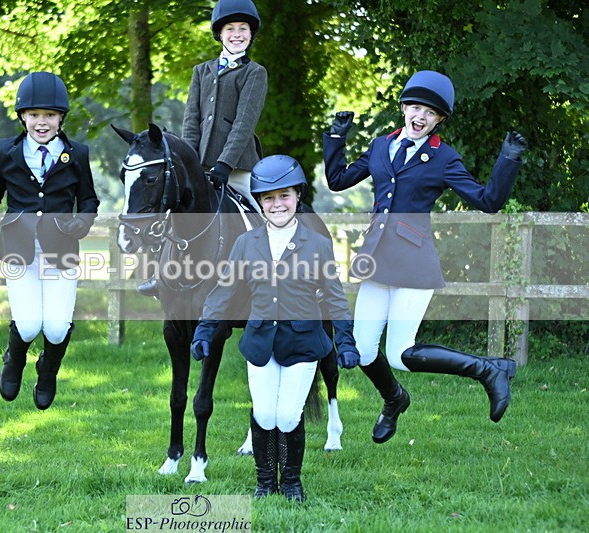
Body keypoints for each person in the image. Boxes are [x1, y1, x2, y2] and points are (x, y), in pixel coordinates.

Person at [322, 70, 528, 444]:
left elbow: (488, 201)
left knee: (400, 354)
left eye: (429, 113)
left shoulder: (444, 158)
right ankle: (395, 399)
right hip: (375, 263)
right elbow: (337, 180)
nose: (420, 116)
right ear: (403, 108)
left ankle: (487, 370)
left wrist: (508, 159)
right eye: (415, 107)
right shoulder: (380, 147)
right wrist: (336, 137)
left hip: (414, 265)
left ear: (439, 120)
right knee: (364, 349)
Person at [191, 155, 360, 502]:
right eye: (268, 198)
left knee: (286, 415)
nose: (277, 204)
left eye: (284, 196)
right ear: (260, 203)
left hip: (302, 341)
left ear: (297, 197)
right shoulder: (246, 244)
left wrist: (345, 341)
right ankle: (265, 482)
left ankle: (293, 482)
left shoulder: (318, 245)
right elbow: (224, 290)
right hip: (261, 341)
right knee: (265, 413)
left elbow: (334, 298)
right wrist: (204, 332)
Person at [0, 71, 99, 411]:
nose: (42, 123)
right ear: (22, 116)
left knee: (54, 329)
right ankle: (14, 360)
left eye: (50, 116)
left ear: (60, 118)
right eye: (35, 115)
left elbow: (89, 200)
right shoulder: (5, 151)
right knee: (27, 324)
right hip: (18, 249)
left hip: (62, 250)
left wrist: (82, 223)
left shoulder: (77, 153)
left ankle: (48, 370)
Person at [137, 0, 266, 297]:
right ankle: (161, 275)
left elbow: (244, 124)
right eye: (230, 28)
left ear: (251, 34)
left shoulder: (254, 73)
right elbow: (191, 120)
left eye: (243, 29)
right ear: (219, 34)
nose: (237, 34)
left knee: (260, 212)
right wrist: (188, 161)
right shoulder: (201, 71)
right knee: (173, 211)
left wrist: (225, 164)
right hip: (199, 166)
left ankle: (266, 276)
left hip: (237, 167)